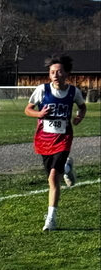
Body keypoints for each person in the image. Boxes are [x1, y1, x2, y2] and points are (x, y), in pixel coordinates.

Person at [24, 55, 86, 231]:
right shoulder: (42, 90)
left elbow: (82, 106)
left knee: (53, 178)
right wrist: (38, 114)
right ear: (49, 75)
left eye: (59, 71)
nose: (55, 75)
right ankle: (67, 168)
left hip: (63, 138)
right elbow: (28, 109)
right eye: (52, 72)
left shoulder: (74, 92)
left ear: (67, 73)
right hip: (44, 138)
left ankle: (51, 219)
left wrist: (80, 115)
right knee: (50, 175)